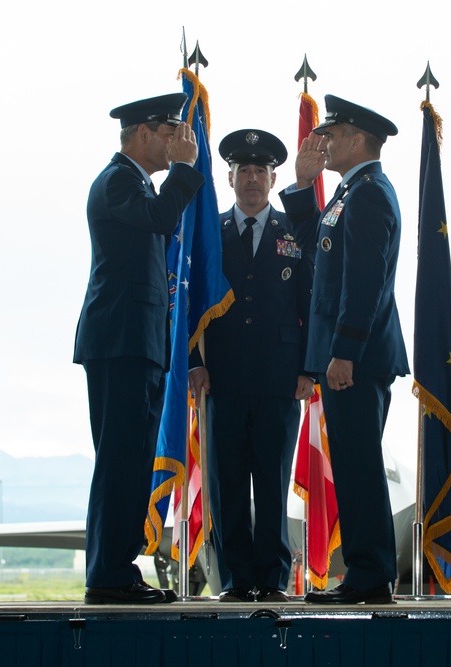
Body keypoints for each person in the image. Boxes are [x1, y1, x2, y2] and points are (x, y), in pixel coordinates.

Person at [280, 95, 409, 605]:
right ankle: (366, 573)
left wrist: (345, 352)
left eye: (332, 136)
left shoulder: (371, 194)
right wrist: (300, 184)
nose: (324, 142)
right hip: (347, 354)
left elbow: (365, 282)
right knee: (354, 464)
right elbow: (319, 247)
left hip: (357, 358)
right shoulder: (349, 193)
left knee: (358, 466)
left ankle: (370, 576)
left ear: (358, 141)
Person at [74, 92, 202, 605]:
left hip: (140, 344)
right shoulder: (117, 182)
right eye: (171, 133)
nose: (178, 143)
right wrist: (188, 172)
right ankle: (107, 574)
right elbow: (158, 218)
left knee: (131, 461)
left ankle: (118, 570)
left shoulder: (135, 183)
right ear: (144, 133)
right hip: (119, 343)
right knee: (119, 460)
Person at [188, 129, 315, 603]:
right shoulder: (210, 233)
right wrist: (193, 362)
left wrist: (310, 369)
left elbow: (311, 300)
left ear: (273, 177)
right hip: (219, 376)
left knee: (272, 481)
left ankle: (273, 579)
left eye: (261, 170)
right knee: (226, 485)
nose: (253, 179)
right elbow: (192, 299)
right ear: (229, 177)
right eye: (244, 170)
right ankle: (237, 580)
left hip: (281, 378)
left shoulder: (293, 233)